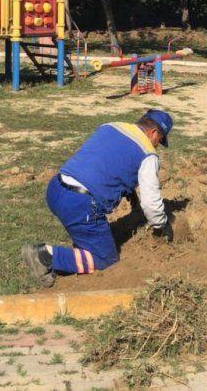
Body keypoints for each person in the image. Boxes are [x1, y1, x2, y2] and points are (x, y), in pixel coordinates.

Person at [22, 110, 175, 287]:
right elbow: (151, 203)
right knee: (104, 260)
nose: (156, 146)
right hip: (79, 204)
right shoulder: (148, 154)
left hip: (56, 187)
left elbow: (105, 162)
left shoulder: (112, 126)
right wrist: (161, 224)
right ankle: (45, 255)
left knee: (88, 239)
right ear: (154, 132)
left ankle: (77, 251)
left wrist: (130, 192)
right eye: (159, 141)